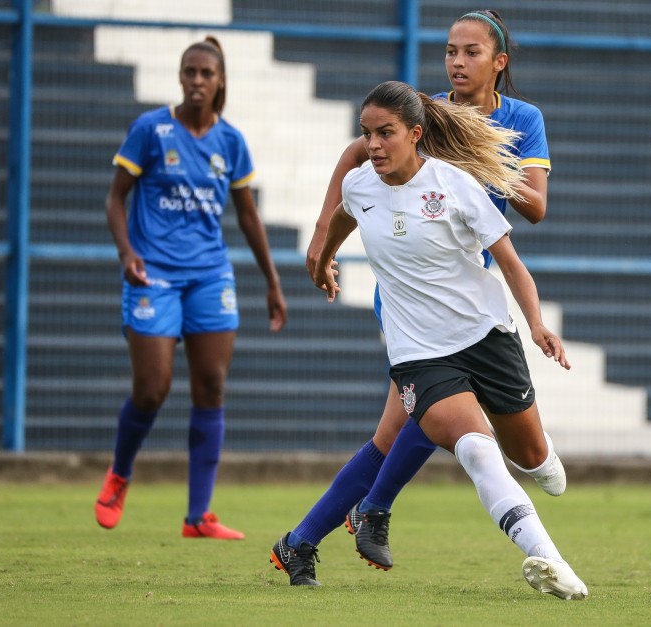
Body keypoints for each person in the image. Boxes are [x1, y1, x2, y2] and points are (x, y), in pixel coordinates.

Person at [273, 9, 562, 583]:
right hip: (414, 295)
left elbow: (535, 206)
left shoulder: (521, 120)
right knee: (439, 420)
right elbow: (356, 160)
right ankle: (364, 516)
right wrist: (321, 236)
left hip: (469, 295)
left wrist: (480, 164)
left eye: (471, 52)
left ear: (498, 63)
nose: (456, 61)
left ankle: (315, 533)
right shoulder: (422, 115)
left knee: (405, 428)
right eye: (450, 50)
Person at [95, 36, 288, 539]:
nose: (197, 81)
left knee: (212, 387)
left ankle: (198, 516)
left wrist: (272, 282)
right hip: (152, 273)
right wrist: (126, 252)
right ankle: (119, 474)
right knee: (152, 388)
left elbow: (248, 217)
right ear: (180, 77)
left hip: (209, 275)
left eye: (206, 73)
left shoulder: (231, 142)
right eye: (190, 72)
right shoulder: (151, 130)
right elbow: (116, 199)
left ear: (221, 80)